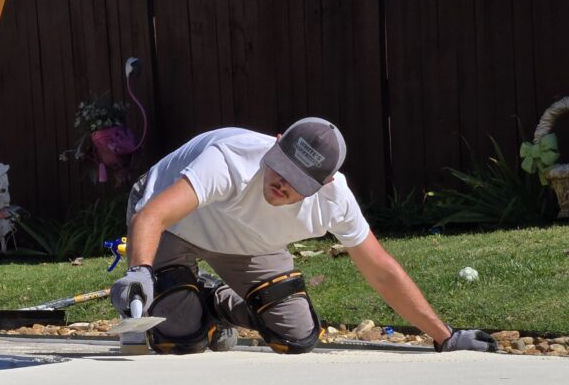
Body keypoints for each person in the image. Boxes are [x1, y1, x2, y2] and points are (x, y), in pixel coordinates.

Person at [111, 119, 497, 355]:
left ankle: (209, 300)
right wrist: (140, 270)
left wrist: (445, 337)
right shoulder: (230, 159)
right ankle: (179, 297)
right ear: (276, 142)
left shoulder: (335, 202)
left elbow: (381, 270)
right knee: (181, 341)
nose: (280, 185)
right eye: (280, 168)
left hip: (248, 244)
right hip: (173, 226)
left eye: (296, 182)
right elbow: (153, 214)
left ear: (325, 183)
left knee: (295, 336)